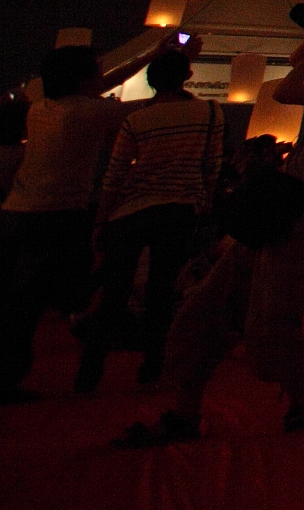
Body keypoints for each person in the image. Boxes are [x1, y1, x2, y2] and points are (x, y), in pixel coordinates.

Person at [124, 14, 304, 443]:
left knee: (272, 319)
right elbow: (295, 63)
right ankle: (187, 409)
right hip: (286, 208)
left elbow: (285, 90)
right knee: (212, 304)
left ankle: (298, 406)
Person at [75, 45, 221, 393]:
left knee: (114, 292)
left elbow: (114, 176)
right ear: (187, 76)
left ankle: (90, 370)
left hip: (131, 212)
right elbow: (212, 168)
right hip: (179, 209)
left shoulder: (136, 120)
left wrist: (100, 220)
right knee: (161, 290)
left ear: (152, 82)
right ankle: (154, 363)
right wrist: (204, 204)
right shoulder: (211, 113)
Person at [3, 42, 144, 400]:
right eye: (95, 71)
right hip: (56, 216)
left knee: (18, 300)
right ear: (83, 79)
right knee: (33, 303)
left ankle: (11, 374)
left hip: (17, 211)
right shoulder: (89, 112)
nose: (102, 76)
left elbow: (101, 86)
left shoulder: (42, 107)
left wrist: (150, 57)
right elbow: (151, 107)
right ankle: (7, 378)